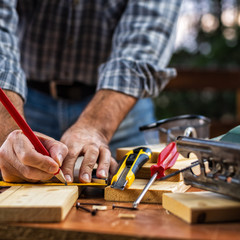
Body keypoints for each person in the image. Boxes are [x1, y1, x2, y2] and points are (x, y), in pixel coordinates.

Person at [0, 0, 181, 183]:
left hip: (121, 108)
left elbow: (145, 36)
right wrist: (9, 133)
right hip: (27, 101)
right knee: (17, 174)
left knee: (136, 191)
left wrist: (96, 126)